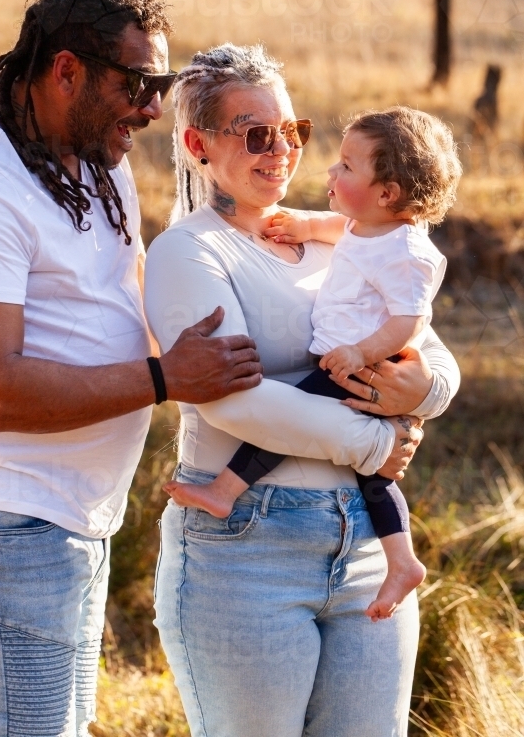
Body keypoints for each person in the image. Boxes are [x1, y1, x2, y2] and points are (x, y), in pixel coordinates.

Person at [0, 0, 263, 737]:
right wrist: (166, 379)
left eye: (159, 82)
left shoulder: (98, 160)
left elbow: (125, 303)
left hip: (63, 515)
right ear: (66, 71)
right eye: (137, 82)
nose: (153, 105)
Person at [143, 43, 460, 737]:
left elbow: (427, 353)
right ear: (198, 143)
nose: (280, 151)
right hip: (246, 547)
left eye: (291, 132)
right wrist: (380, 439)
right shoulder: (188, 252)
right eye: (255, 134)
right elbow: (233, 398)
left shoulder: (341, 237)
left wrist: (425, 395)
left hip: (366, 540)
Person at [164, 105, 462, 622]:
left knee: (294, 418)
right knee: (371, 476)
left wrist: (368, 357)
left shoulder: (407, 252)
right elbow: (337, 228)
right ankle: (403, 559)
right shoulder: (367, 226)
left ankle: (224, 491)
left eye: (346, 167)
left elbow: (412, 323)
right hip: (347, 367)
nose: (329, 171)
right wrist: (303, 225)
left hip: (360, 369)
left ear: (387, 193)